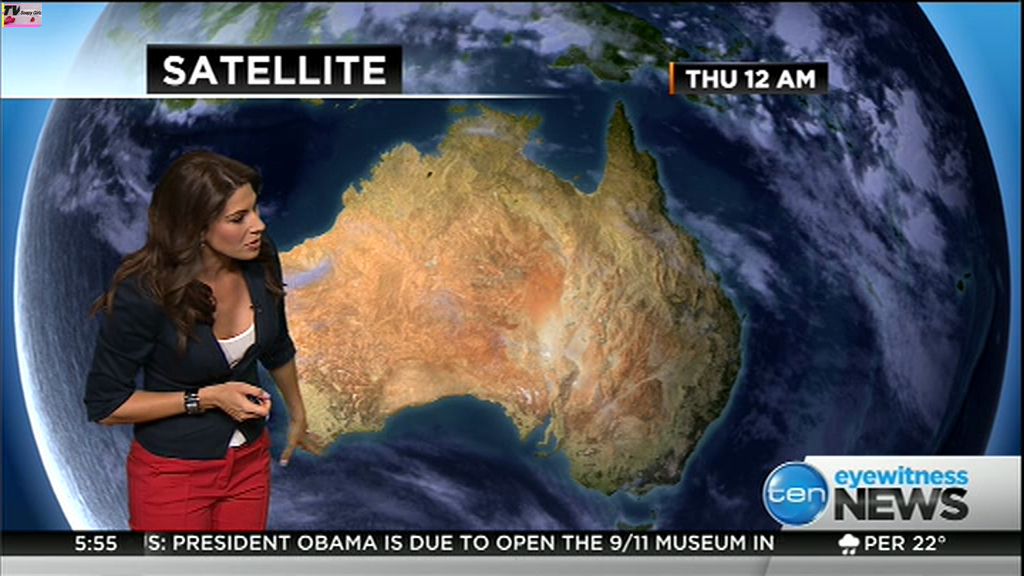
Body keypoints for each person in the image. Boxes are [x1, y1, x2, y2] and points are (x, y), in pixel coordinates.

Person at [84, 150, 320, 531]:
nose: (258, 225)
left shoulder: (260, 258)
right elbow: (106, 405)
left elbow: (277, 342)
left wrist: (297, 411)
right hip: (173, 475)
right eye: (238, 218)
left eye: (255, 210)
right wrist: (206, 399)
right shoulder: (144, 294)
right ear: (196, 229)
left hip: (249, 466)